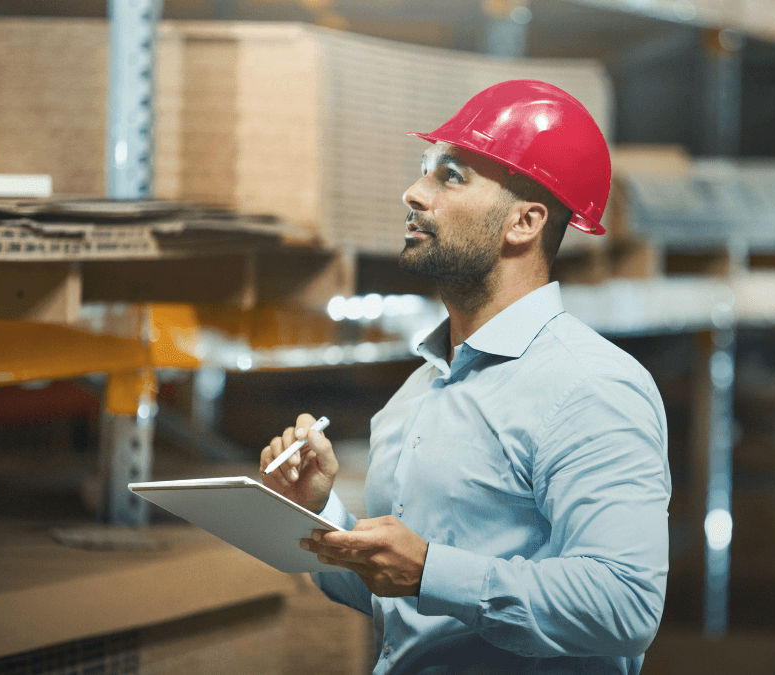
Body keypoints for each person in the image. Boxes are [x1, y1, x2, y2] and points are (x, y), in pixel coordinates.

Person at [260, 79, 670, 674]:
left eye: (449, 176)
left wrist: (432, 570)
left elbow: (626, 606)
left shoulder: (591, 388)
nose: (413, 193)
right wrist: (323, 521)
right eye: (424, 170)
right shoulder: (416, 395)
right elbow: (401, 604)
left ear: (524, 223)